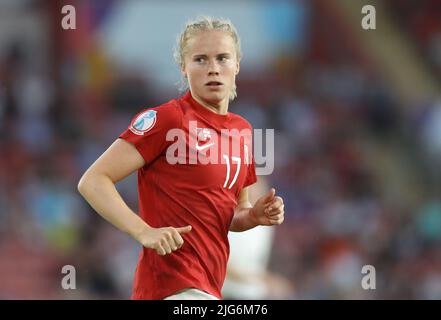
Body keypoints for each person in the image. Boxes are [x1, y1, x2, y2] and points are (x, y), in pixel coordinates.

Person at [77, 16, 285, 300]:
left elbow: (232, 214)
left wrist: (254, 216)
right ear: (183, 67)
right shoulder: (169, 119)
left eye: (222, 58)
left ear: (237, 64)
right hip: (172, 287)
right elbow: (93, 180)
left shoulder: (242, 131)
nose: (213, 69)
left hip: (209, 287)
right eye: (200, 59)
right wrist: (143, 231)